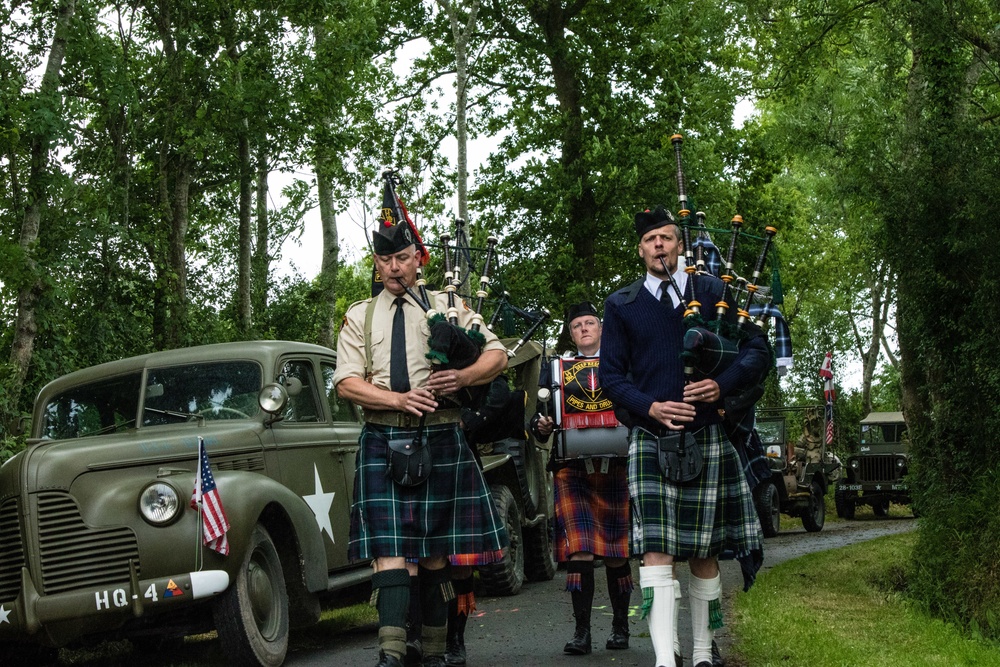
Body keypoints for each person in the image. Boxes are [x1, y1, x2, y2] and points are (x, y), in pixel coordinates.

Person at [334, 221, 510, 667]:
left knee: (434, 554)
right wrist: (397, 398)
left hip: (440, 432)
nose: (395, 268)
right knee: (390, 552)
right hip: (383, 434)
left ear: (418, 259)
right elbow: (347, 383)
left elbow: (498, 354)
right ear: (376, 263)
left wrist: (464, 375)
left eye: (403, 259)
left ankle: (433, 651)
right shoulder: (360, 315)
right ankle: (391, 654)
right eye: (386, 260)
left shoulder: (448, 307)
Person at [599, 206, 769, 667]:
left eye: (667, 238)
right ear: (640, 249)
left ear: (681, 245)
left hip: (706, 432)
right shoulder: (622, 305)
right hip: (651, 437)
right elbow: (610, 376)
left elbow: (758, 349)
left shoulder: (713, 293)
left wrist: (723, 384)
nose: (659, 245)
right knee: (655, 550)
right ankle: (664, 660)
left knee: (704, 550)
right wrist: (649, 405)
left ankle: (699, 654)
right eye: (651, 239)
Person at [529, 301, 635, 656]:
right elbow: (539, 421)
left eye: (590, 323)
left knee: (618, 552)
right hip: (571, 467)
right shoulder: (556, 369)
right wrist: (541, 426)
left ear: (602, 328)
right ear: (571, 333)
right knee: (580, 550)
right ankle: (582, 632)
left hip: (616, 462)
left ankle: (621, 629)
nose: (585, 329)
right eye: (577, 325)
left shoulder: (622, 364)